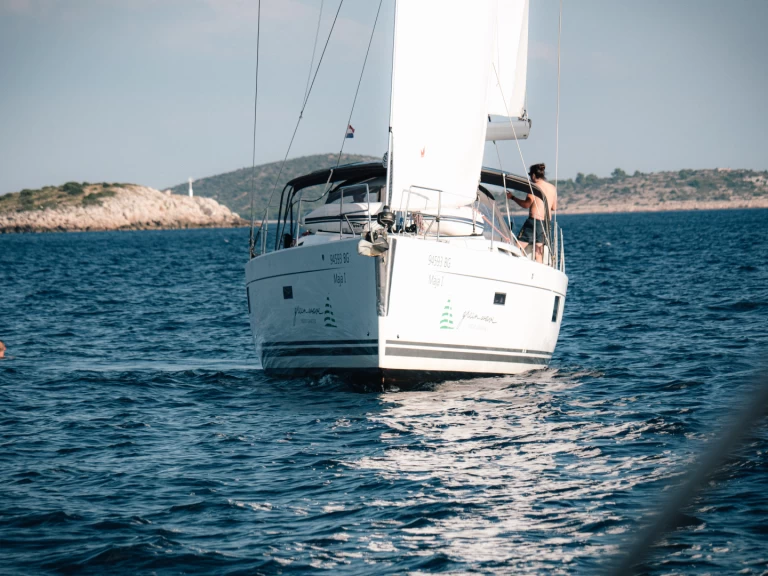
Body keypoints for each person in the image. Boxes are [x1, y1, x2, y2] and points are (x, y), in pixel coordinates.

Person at [507, 163, 557, 263]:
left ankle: (520, 265)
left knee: (517, 247)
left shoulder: (534, 187)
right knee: (539, 252)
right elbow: (554, 207)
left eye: (530, 175)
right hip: (546, 223)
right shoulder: (552, 188)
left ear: (533, 175)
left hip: (534, 222)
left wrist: (512, 197)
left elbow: (526, 204)